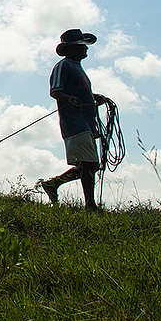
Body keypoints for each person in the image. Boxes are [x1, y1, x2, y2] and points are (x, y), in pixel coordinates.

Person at [38, 28, 106, 211]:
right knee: (88, 164)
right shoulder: (64, 65)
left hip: (86, 122)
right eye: (81, 46)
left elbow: (77, 93)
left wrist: (92, 98)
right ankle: (90, 205)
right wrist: (70, 99)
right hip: (74, 122)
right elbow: (56, 91)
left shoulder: (77, 68)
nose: (85, 49)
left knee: (90, 165)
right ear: (71, 49)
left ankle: (54, 184)